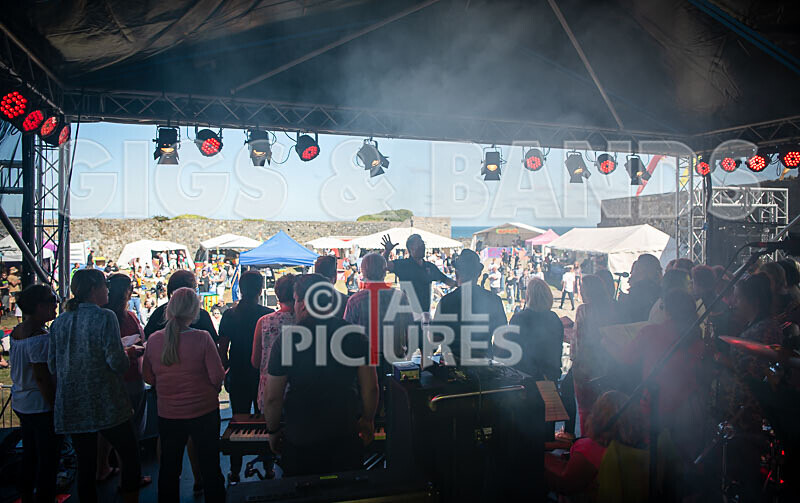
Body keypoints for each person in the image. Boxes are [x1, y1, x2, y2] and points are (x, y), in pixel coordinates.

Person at [265, 274, 378, 476]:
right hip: (344, 435)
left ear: (305, 302)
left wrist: (272, 431)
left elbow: (273, 398)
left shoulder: (286, 340)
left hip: (301, 440)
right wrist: (368, 419)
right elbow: (370, 388)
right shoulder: (356, 335)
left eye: (297, 299)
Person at [48, 269, 141, 503]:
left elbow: (52, 363)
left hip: (72, 403)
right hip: (105, 401)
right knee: (129, 454)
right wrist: (128, 353)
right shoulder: (104, 317)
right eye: (104, 286)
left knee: (85, 465)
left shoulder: (60, 322)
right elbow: (115, 362)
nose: (108, 291)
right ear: (93, 290)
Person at [143, 288, 226, 502]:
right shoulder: (202, 338)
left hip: (169, 414)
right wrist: (210, 391)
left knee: (169, 469)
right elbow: (217, 376)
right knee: (210, 466)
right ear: (194, 311)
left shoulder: (153, 339)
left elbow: (148, 377)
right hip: (204, 412)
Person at [217, 270, 273, 484]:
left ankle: (234, 469)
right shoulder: (266, 314)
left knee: (238, 420)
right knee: (265, 421)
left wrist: (225, 370)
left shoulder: (229, 315)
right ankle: (268, 467)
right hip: (261, 374)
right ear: (260, 289)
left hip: (238, 373)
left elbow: (223, 348)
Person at [9, 284, 60, 503]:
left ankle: (26, 494)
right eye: (52, 302)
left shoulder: (18, 331)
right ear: (39, 306)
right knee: (48, 458)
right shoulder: (39, 338)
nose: (55, 306)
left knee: (30, 454)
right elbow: (41, 377)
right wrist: (54, 405)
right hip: (39, 405)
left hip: (21, 401)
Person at [100, 274, 151, 487]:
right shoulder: (114, 318)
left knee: (107, 430)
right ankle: (129, 479)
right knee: (131, 431)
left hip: (121, 378)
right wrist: (130, 350)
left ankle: (103, 468)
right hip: (126, 376)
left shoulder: (126, 316)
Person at [545, 390, 644, 499]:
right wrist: (561, 445)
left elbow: (566, 484)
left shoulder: (590, 448)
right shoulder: (630, 445)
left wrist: (541, 456)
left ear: (597, 417)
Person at [433, 250, 506, 365]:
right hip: (484, 366)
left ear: (457, 274)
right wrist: (493, 362)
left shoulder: (446, 302)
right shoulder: (494, 300)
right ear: (478, 274)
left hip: (452, 368)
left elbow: (435, 338)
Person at [344, 253, 414, 368]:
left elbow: (347, 335)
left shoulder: (355, 301)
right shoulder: (400, 297)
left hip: (366, 362)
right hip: (396, 359)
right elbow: (410, 328)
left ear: (363, 272)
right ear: (385, 271)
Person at [572, 275, 621, 435]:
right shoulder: (614, 307)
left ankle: (587, 444)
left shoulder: (584, 310)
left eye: (582, 289)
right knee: (607, 408)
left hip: (586, 366)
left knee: (585, 410)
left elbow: (578, 340)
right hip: (610, 364)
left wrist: (575, 360)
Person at [381, 233, 456, 316]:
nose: (423, 247)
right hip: (407, 315)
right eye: (419, 245)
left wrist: (460, 284)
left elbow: (446, 280)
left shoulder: (430, 267)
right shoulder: (403, 265)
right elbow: (383, 265)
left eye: (423, 244)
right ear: (411, 248)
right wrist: (387, 251)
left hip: (424, 315)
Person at [252, 274, 297, 413]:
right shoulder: (303, 322)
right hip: (298, 391)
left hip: (269, 389)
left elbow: (255, 361)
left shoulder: (263, 322)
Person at [506, 278, 563, 381]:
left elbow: (511, 351)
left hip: (527, 378)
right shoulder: (554, 318)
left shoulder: (519, 319)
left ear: (528, 296)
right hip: (550, 375)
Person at [144, 270, 218, 342]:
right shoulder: (201, 315)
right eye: (195, 287)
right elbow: (214, 343)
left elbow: (146, 339)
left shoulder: (159, 313)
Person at [617, 253, 662, 323]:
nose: (631, 274)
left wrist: (625, 302)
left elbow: (633, 315)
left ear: (642, 271)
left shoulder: (639, 292)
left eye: (634, 270)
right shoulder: (660, 290)